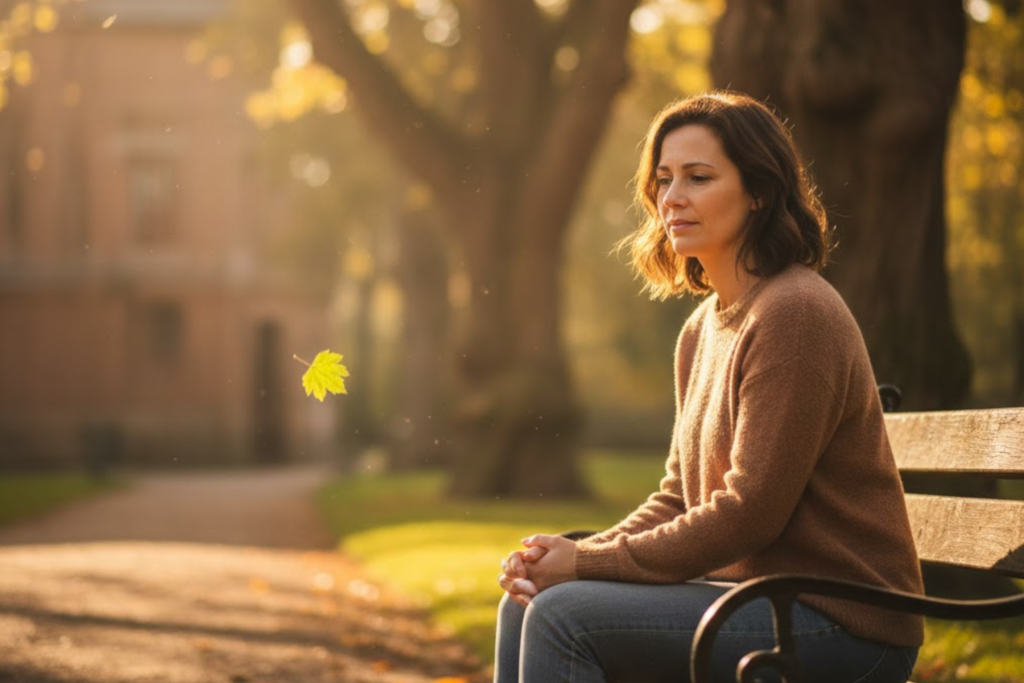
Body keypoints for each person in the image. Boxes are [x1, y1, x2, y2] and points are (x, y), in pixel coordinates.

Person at [493, 91, 925, 683]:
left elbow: (750, 514)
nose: (673, 199)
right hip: (759, 600)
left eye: (698, 178)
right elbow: (678, 496)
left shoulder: (794, 313)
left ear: (759, 192)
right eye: (664, 180)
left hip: (843, 626)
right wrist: (562, 560)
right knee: (527, 606)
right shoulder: (703, 327)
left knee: (562, 617)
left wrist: (588, 561)